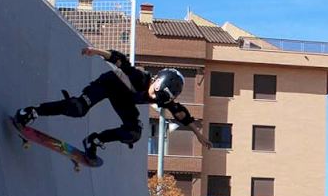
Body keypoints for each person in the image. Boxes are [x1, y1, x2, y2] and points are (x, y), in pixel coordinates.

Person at [15, 46, 209, 160]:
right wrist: (95, 51)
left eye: (157, 99)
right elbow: (120, 60)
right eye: (153, 94)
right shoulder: (139, 77)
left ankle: (94, 140)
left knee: (133, 133)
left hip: (123, 100)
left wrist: (198, 134)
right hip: (106, 85)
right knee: (78, 109)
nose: (153, 98)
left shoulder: (163, 97)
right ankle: (31, 112)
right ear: (157, 82)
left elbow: (181, 114)